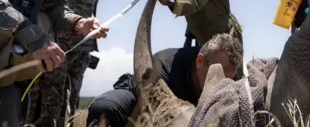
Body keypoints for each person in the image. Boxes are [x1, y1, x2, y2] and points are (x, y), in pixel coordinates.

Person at [86, 33, 243, 127]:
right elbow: (153, 114)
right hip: (142, 100)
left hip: (189, 115)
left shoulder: (229, 79)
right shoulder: (163, 66)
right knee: (105, 107)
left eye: (227, 78)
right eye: (214, 74)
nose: (219, 82)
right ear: (200, 60)